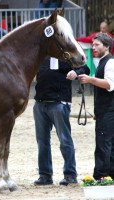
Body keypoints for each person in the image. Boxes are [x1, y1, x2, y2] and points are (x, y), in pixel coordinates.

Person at [33, 57, 90, 186]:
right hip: (40, 103)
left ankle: (70, 175)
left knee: (65, 140)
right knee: (42, 141)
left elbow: (85, 68)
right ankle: (45, 175)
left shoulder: (67, 56)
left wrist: (76, 73)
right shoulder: (42, 55)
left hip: (59, 103)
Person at [78, 33, 114, 180]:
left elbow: (109, 84)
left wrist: (90, 79)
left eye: (97, 45)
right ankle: (109, 176)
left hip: (108, 111)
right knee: (109, 145)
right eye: (92, 45)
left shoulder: (110, 62)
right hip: (106, 111)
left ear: (107, 46)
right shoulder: (103, 62)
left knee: (103, 145)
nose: (93, 47)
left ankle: (101, 176)